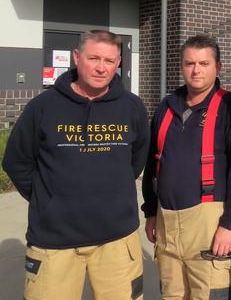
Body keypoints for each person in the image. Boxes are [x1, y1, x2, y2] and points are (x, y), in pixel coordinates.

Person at [2, 30, 149, 300]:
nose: (101, 67)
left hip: (116, 239)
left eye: (109, 60)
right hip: (54, 241)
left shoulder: (132, 107)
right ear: (77, 57)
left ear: (118, 63)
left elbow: (137, 160)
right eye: (94, 58)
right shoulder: (43, 106)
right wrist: (47, 198)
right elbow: (16, 161)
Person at [142, 34, 231, 300]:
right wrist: (151, 211)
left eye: (204, 64)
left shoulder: (230, 107)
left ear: (217, 68)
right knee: (171, 294)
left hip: (209, 223)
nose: (196, 70)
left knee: (209, 294)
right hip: (166, 221)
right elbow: (153, 161)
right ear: (181, 66)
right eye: (190, 63)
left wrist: (230, 224)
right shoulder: (166, 107)